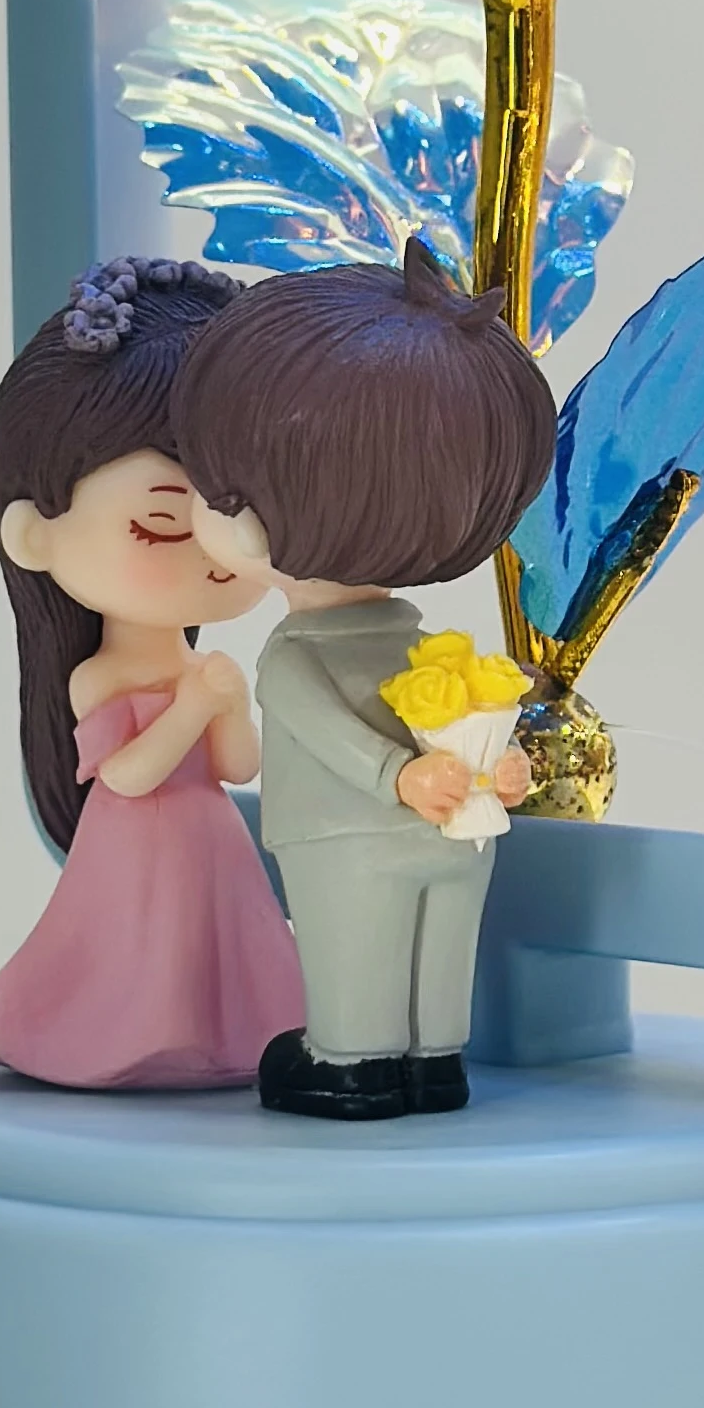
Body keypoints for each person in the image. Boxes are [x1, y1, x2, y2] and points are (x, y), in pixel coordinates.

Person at [174, 239, 557, 1119]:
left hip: (345, 834)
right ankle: (434, 1061)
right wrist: (495, 769)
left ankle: (353, 1060)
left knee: (357, 945)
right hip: (458, 835)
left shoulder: (293, 654)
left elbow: (330, 734)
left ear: (251, 517)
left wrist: (399, 778)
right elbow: (463, 712)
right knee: (439, 948)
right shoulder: (425, 644)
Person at [0, 258, 306, 1090]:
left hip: (212, 839)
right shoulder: (100, 677)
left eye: (237, 509)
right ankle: (128, 1038)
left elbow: (238, 768)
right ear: (36, 536)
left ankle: (233, 1037)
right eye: (162, 522)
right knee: (144, 952)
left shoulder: (200, 664)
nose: (213, 549)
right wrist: (192, 706)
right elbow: (125, 775)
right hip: (135, 848)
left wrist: (229, 709)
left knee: (221, 952)